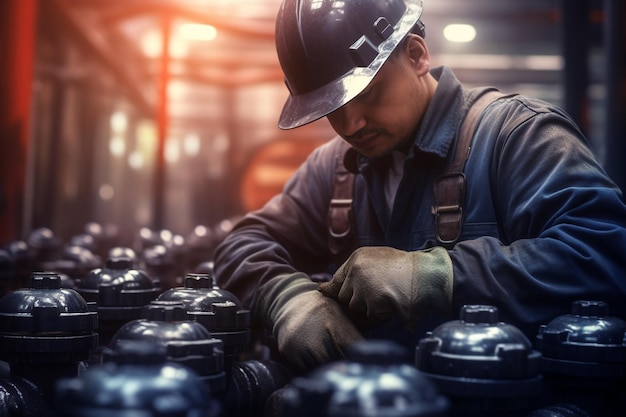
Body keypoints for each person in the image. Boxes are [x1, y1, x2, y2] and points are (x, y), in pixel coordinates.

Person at [213, 0, 626, 373]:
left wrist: (435, 275)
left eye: (368, 94)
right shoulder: (335, 166)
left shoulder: (516, 135)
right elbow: (242, 243)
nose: (351, 125)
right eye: (334, 109)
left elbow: (605, 253)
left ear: (416, 55)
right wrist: (286, 299)